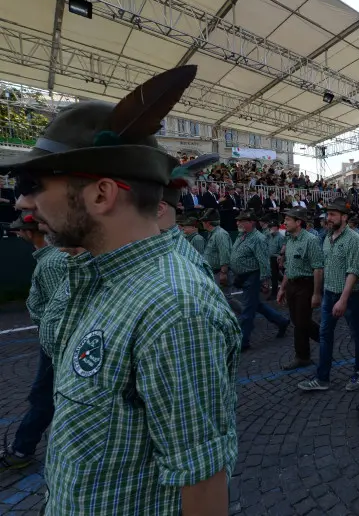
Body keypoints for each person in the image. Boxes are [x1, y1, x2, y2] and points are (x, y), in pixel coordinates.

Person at [2, 65, 240, 514]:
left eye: (34, 184)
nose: (22, 202)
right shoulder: (95, 275)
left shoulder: (174, 308)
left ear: (101, 195)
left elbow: (202, 487)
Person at [0, 214, 67, 470]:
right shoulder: (50, 259)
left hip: (55, 343)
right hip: (55, 341)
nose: (18, 233)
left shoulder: (50, 263)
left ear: (29, 232)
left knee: (42, 397)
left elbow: (57, 309)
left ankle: (22, 449)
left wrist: (53, 344)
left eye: (21, 230)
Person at [298, 197, 359, 392]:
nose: (328, 218)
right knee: (325, 334)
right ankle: (322, 378)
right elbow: (323, 266)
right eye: (328, 214)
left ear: (344, 217)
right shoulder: (327, 237)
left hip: (350, 296)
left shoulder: (353, 238)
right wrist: (318, 293)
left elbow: (353, 271)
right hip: (329, 293)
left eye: (333, 215)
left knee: (357, 335)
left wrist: (343, 300)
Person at [232, 210, 289, 351]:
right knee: (256, 305)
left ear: (251, 222)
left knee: (247, 310)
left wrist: (264, 281)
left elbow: (263, 261)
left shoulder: (258, 238)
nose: (238, 223)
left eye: (241, 220)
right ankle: (281, 321)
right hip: (243, 276)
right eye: (238, 220)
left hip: (253, 276)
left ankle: (243, 341)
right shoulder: (242, 235)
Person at [277, 207, 324, 369]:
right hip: (292, 285)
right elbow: (289, 268)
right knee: (298, 321)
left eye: (288, 220)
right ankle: (317, 347)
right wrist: (282, 288)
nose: (284, 223)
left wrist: (316, 294)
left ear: (298, 222)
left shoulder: (310, 240)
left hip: (306, 285)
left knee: (301, 322)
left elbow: (318, 268)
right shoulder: (289, 239)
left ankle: (304, 355)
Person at [263, 218, 286, 298]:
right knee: (275, 276)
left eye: (272, 227)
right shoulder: (269, 236)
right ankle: (281, 288)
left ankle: (274, 293)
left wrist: (281, 260)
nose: (270, 228)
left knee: (274, 277)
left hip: (276, 258)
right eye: (270, 227)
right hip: (271, 257)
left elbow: (283, 249)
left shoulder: (280, 237)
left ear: (276, 227)